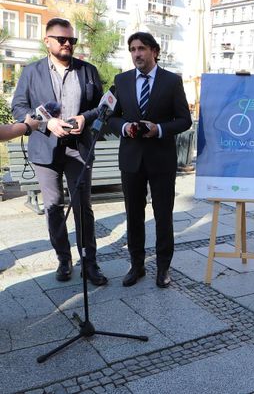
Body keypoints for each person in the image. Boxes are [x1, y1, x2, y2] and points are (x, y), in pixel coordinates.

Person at [11, 18, 108, 285]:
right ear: (48, 41)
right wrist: (45, 122)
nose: (68, 44)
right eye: (62, 39)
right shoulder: (31, 72)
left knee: (83, 207)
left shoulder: (88, 70)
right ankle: (64, 259)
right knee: (53, 207)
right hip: (45, 150)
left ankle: (90, 261)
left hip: (79, 149)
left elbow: (101, 107)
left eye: (72, 40)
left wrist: (84, 119)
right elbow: (18, 108)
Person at [109, 32, 192, 288]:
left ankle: (163, 267)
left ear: (154, 51)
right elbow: (110, 117)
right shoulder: (121, 81)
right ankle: (137, 265)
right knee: (134, 215)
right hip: (131, 159)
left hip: (161, 159)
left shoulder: (171, 81)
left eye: (142, 48)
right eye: (132, 49)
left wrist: (159, 129)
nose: (137, 54)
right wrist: (124, 128)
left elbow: (184, 120)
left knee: (163, 215)